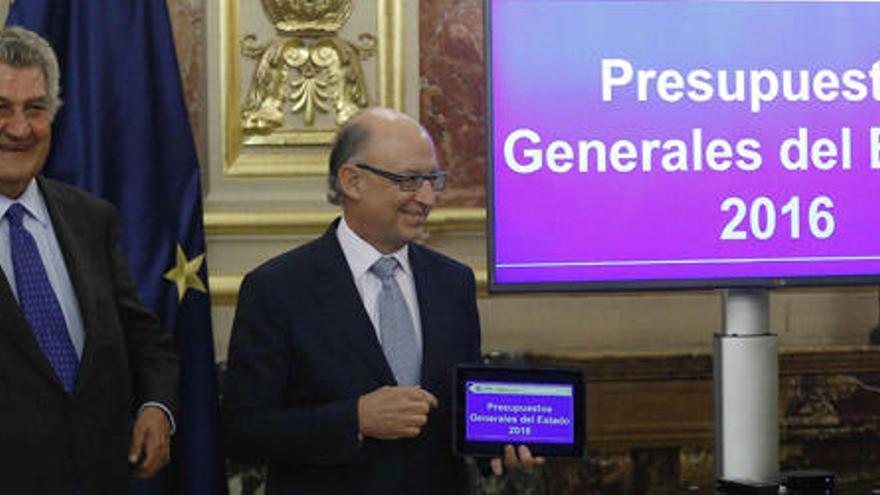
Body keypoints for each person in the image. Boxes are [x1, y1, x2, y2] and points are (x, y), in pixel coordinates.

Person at [223, 107, 541, 494]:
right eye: (409, 180)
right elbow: (244, 431)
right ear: (352, 181)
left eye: (433, 180)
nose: (426, 198)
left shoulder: (452, 282)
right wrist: (353, 419)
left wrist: (496, 448)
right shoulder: (277, 289)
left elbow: (458, 412)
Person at [0, 27, 178, 492]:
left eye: (35, 109)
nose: (20, 129)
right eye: (0, 108)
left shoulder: (90, 218)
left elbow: (145, 341)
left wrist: (157, 408)